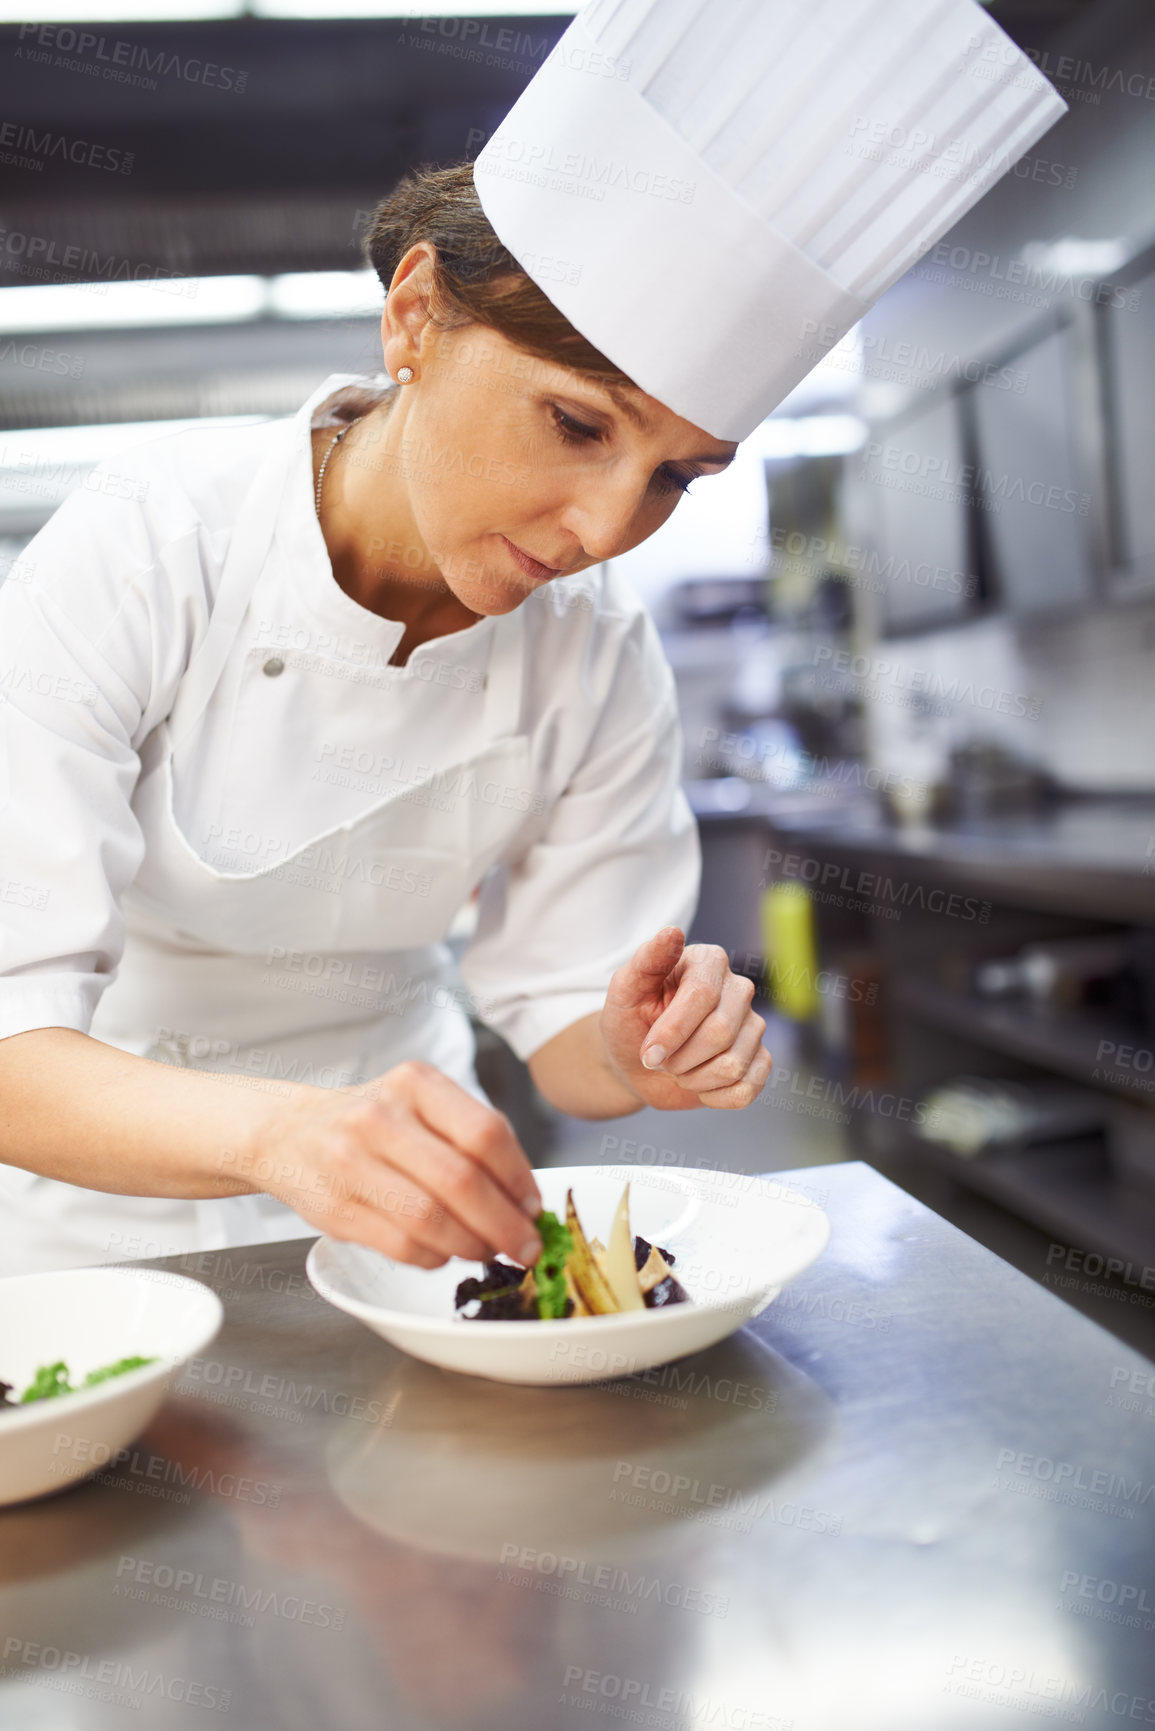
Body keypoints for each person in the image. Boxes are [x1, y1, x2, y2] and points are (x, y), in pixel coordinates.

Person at [0, 0, 1065, 1277]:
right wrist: (290, 1135)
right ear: (415, 316)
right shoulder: (148, 548)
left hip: (416, 1228)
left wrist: (640, 1048)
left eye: (681, 478)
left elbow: (570, 1034)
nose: (609, 528)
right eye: (575, 425)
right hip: (102, 1237)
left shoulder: (599, 654)